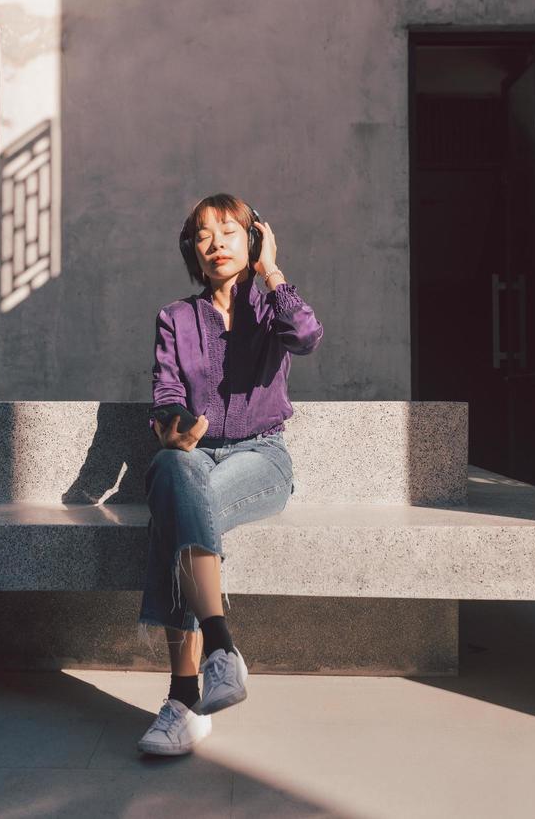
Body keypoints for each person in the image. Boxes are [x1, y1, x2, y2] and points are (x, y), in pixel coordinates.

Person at [136, 193, 323, 756]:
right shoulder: (175, 318)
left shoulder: (272, 309)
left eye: (229, 231)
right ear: (191, 249)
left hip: (260, 457)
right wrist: (172, 427)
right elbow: (166, 392)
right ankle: (221, 649)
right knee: (174, 468)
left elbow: (308, 337)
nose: (215, 242)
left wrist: (271, 272)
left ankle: (182, 699)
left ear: (254, 238)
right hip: (195, 456)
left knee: (174, 511)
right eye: (202, 234)